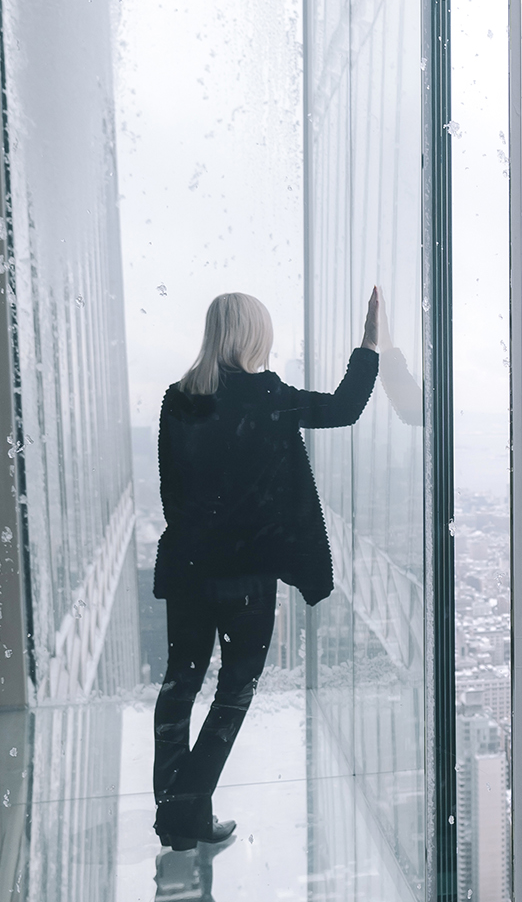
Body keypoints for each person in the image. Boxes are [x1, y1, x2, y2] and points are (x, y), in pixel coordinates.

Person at [151, 288, 380, 851]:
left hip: (188, 571)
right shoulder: (267, 396)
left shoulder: (177, 400)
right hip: (247, 580)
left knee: (181, 681)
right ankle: (185, 812)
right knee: (234, 690)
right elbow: (343, 409)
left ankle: (175, 812)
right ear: (253, 335)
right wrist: (369, 346)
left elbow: (171, 493)